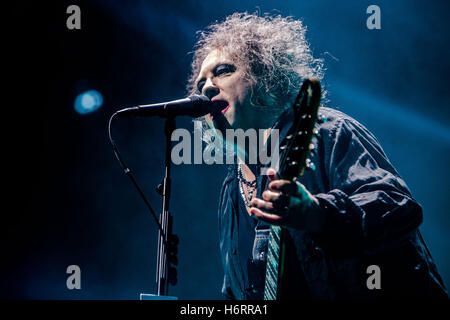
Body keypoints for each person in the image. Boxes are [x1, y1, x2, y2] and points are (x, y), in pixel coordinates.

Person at [186, 12, 447, 299]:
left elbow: (398, 207)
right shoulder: (230, 187)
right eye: (201, 84)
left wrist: (318, 214)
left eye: (223, 71)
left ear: (266, 76)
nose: (207, 87)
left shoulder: (327, 130)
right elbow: (237, 287)